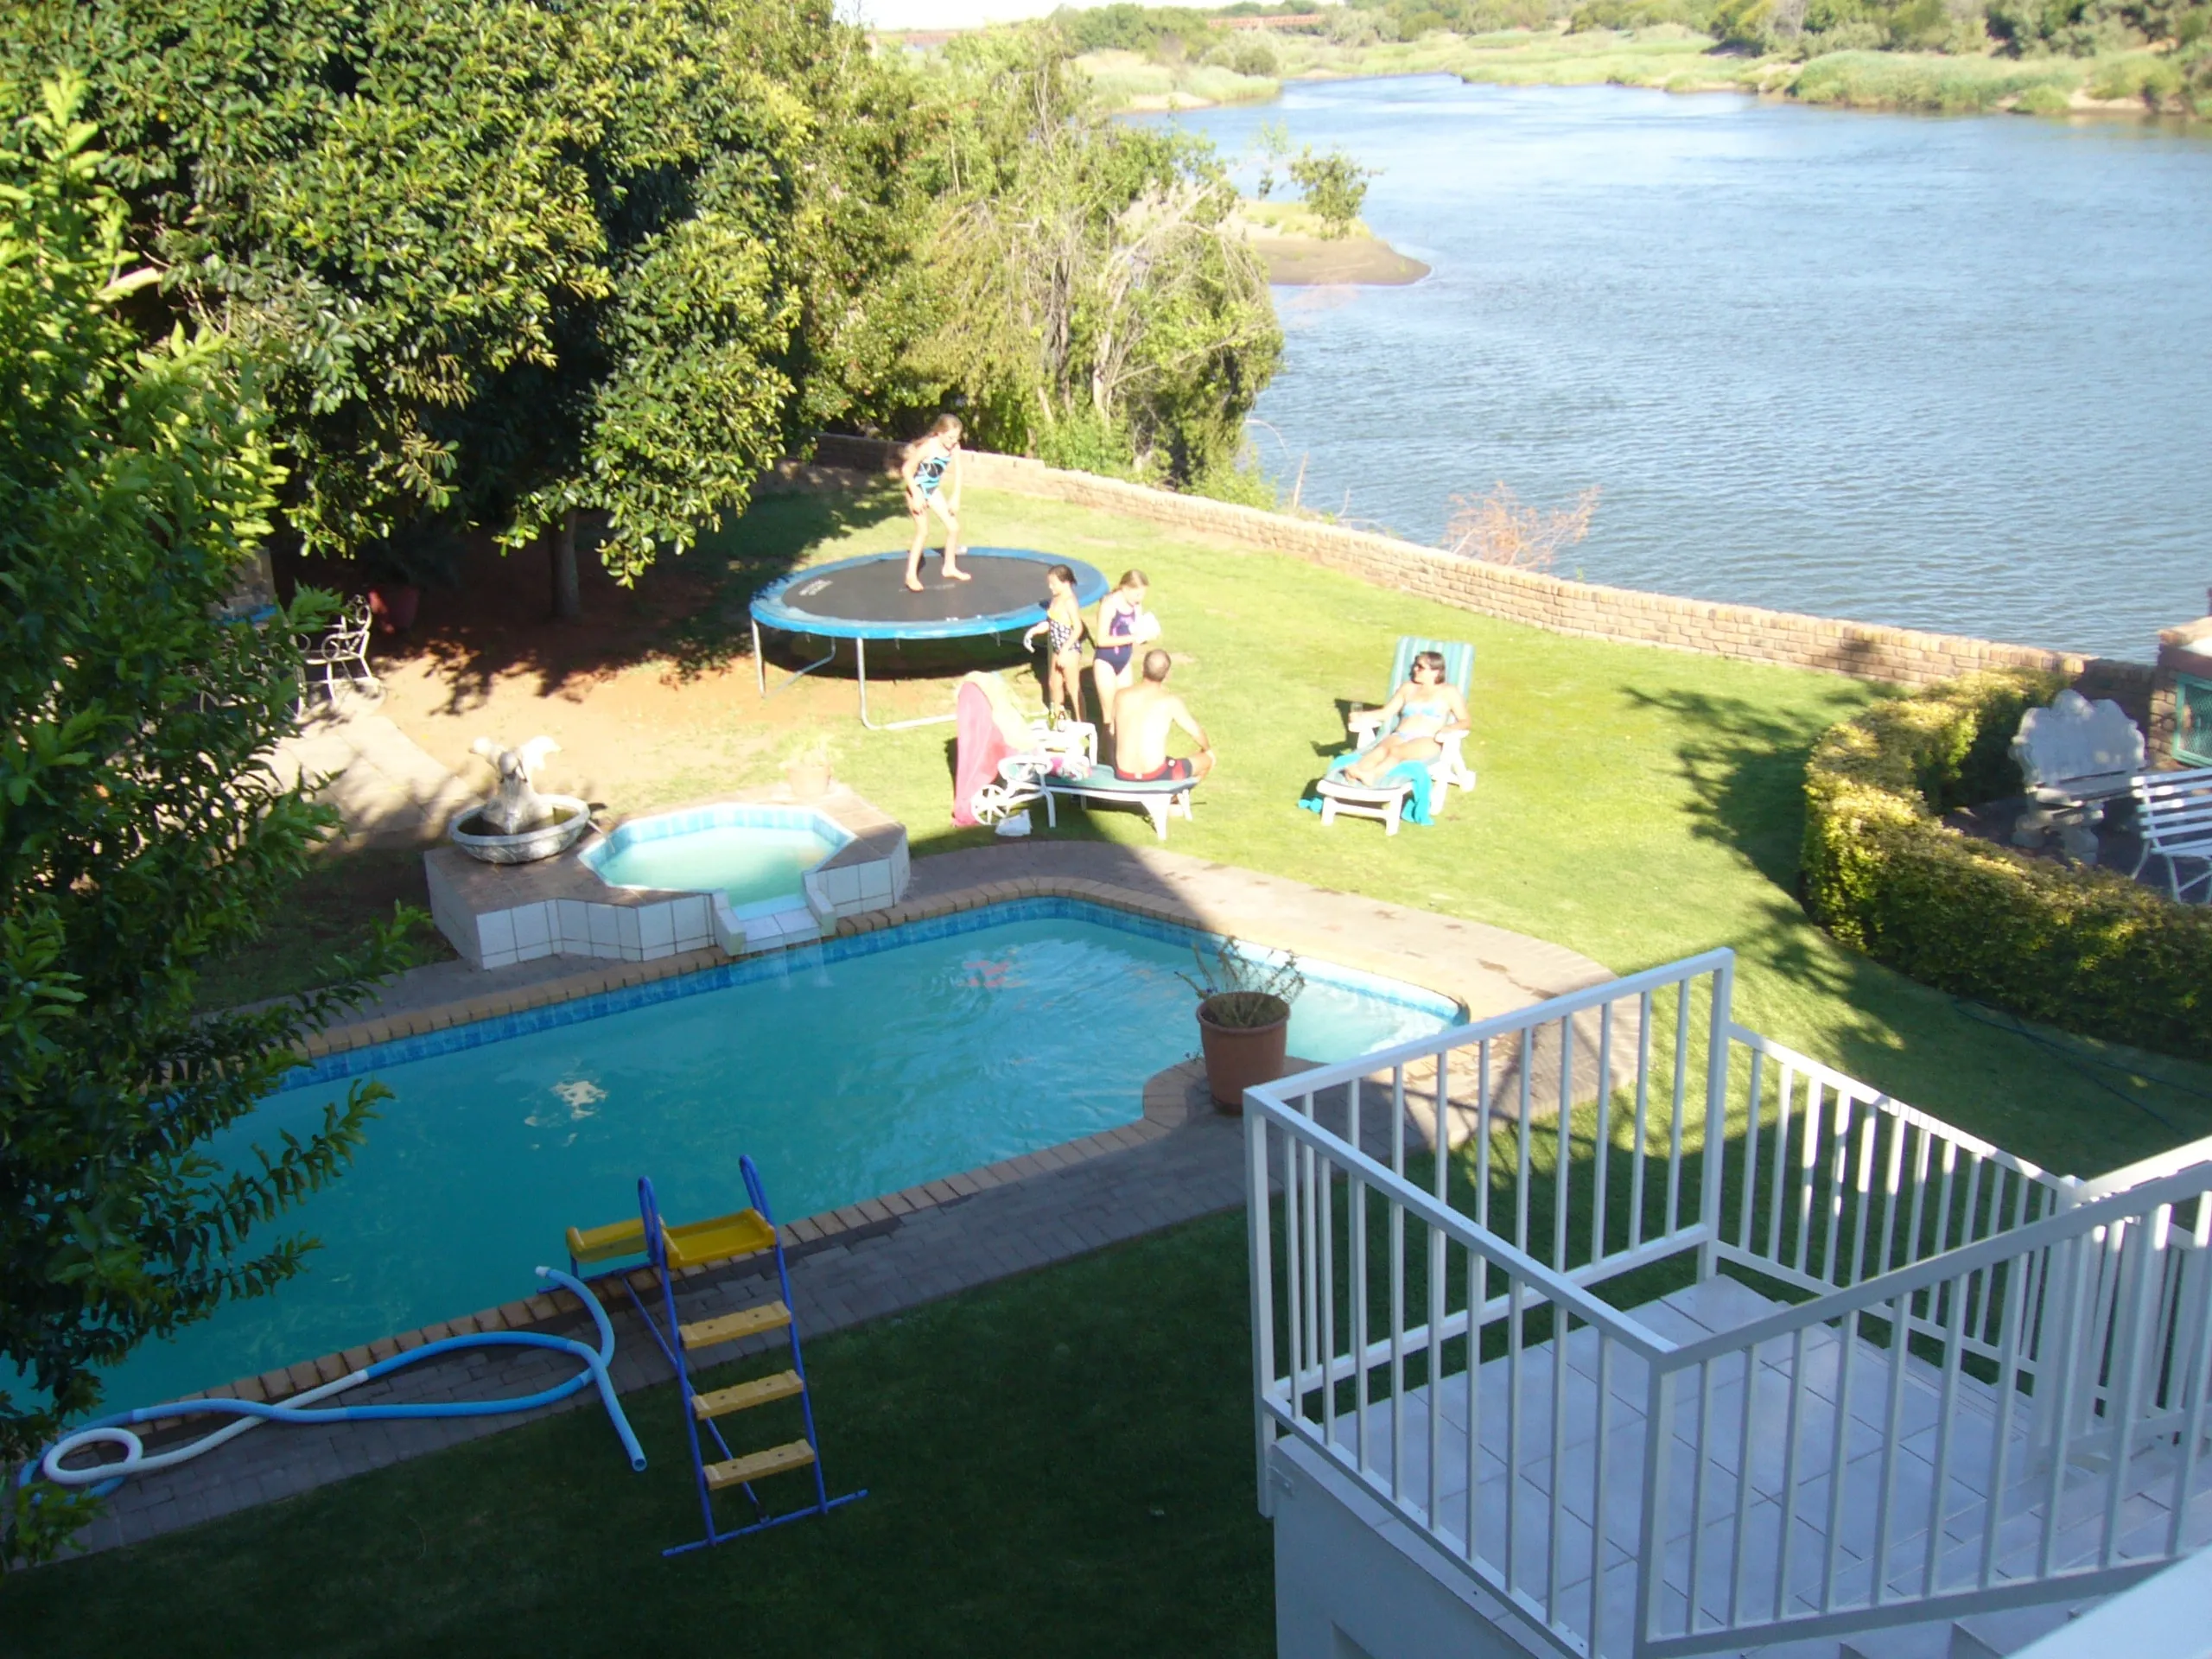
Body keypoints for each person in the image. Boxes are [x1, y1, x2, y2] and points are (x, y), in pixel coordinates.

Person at [1341, 649, 1466, 785]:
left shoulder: (1449, 692)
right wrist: (1361, 716)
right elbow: (1385, 713)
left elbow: (1465, 721)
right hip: (1400, 735)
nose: (1415, 669)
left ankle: (1372, 776)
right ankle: (1353, 773)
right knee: (1380, 751)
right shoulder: (1408, 688)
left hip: (1429, 739)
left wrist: (1450, 728)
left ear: (1435, 672)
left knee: (1396, 752)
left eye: (1421, 667)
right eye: (1415, 665)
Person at [1110, 650, 1215, 782]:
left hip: (1124, 773)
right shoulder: (1170, 701)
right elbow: (1196, 733)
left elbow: (1112, 732)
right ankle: (1178, 793)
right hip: (1155, 775)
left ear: (1143, 668)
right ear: (1167, 675)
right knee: (1207, 760)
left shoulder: (1121, 696)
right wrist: (1207, 749)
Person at [1089, 569, 1160, 741]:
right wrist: (1133, 638)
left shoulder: (1136, 606)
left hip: (1124, 661)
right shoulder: (1109, 605)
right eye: (1137, 594)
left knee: (1124, 710)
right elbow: (1101, 640)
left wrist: (1146, 635)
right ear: (1125, 588)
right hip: (1106, 662)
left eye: (1143, 594)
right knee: (1109, 716)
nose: (1140, 599)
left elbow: (1135, 631)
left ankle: (1122, 750)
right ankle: (1107, 752)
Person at [900, 415, 969, 592]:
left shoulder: (954, 447)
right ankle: (910, 575)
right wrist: (916, 494)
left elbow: (959, 472)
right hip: (916, 490)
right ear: (939, 433)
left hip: (932, 491)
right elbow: (906, 469)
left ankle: (949, 567)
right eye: (950, 437)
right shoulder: (928, 447)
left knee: (954, 528)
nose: (953, 441)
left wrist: (956, 496)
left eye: (956, 438)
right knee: (923, 531)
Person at [1020, 563, 1087, 725]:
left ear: (1065, 582)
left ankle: (1082, 724)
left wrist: (1064, 651)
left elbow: (1078, 628)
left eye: (1053, 584)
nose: (1050, 587)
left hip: (1069, 649)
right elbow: (1052, 622)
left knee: (1073, 688)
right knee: (1054, 684)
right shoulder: (1056, 599)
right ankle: (1057, 718)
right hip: (1058, 648)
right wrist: (1035, 630)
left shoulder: (1070, 602)